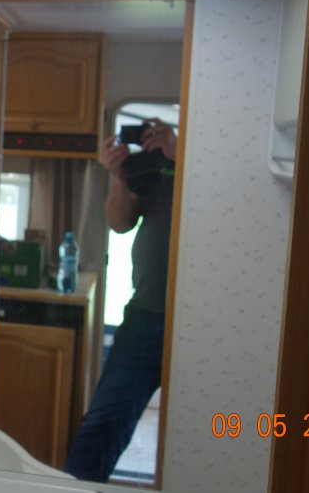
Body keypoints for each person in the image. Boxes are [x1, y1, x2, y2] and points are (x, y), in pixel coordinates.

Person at [63, 118, 176, 482]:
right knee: (101, 427)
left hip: (194, 323)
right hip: (144, 317)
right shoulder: (148, 171)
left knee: (196, 426)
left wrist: (177, 156)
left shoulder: (196, 166)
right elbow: (119, 223)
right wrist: (119, 176)